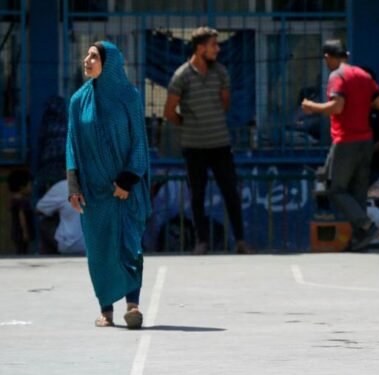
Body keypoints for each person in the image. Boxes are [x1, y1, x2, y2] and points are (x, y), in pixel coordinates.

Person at [66, 41, 150, 329]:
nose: (87, 60)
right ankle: (106, 310)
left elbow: (139, 140)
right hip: (95, 191)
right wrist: (73, 185)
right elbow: (72, 145)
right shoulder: (78, 101)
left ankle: (133, 306)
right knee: (100, 249)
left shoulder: (130, 97)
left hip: (126, 190)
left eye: (94, 56)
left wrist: (128, 179)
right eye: (87, 55)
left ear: (109, 62)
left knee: (130, 246)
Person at [164, 27, 250, 255]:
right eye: (213, 44)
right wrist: (190, 123)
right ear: (200, 47)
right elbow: (169, 111)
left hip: (220, 144)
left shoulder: (220, 72)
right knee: (197, 195)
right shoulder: (182, 75)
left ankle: (240, 240)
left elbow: (225, 103)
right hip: (194, 147)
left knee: (230, 192)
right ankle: (201, 241)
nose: (217, 49)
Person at [302, 40, 379, 251]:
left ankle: (366, 226)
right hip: (366, 141)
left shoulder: (337, 76)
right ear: (346, 55)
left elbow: (337, 107)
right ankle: (360, 238)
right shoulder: (363, 75)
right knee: (357, 192)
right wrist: (359, 105)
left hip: (346, 140)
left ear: (327, 57)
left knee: (335, 189)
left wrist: (311, 106)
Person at [36, 179, 86, 254]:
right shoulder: (102, 185)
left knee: (45, 222)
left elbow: (39, 209)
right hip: (98, 246)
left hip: (70, 244)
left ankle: (46, 256)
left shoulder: (63, 186)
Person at [7, 169, 33, 254]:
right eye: (29, 185)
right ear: (22, 186)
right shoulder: (22, 201)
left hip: (15, 231)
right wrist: (25, 232)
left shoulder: (13, 200)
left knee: (20, 250)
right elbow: (21, 216)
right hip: (21, 232)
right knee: (23, 250)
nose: (31, 188)